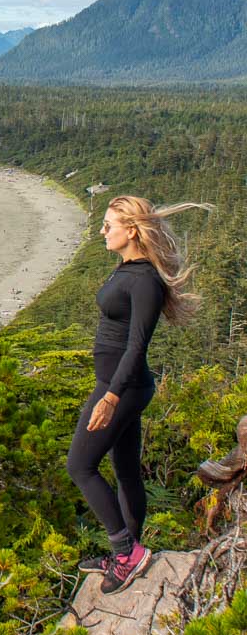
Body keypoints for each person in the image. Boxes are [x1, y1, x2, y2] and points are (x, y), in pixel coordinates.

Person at [67, 195, 211, 594]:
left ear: (131, 230)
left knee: (80, 466)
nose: (102, 230)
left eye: (108, 225)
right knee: (126, 468)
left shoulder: (145, 280)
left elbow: (136, 347)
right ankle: (128, 552)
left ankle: (125, 552)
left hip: (122, 387)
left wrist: (110, 397)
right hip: (121, 384)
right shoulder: (127, 269)